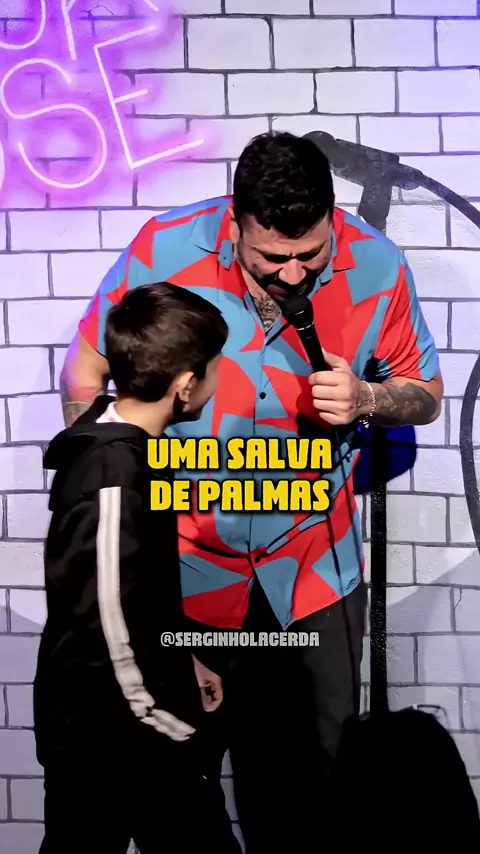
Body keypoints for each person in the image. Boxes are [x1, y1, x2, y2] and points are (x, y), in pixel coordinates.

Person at [59, 132, 444, 853]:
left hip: (311, 578)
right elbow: (85, 369)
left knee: (311, 810)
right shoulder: (164, 249)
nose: (294, 274)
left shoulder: (378, 265)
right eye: (272, 257)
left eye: (312, 254)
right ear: (235, 221)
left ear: (331, 218)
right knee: (177, 801)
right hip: (185, 572)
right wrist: (113, 490)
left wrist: (368, 398)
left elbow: (424, 394)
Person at [34, 284, 242, 854]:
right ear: (185, 384)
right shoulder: (113, 473)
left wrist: (182, 660)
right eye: (215, 366)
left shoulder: (126, 451)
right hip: (114, 739)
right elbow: (101, 621)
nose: (219, 379)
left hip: (123, 728)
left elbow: (133, 597)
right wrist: (170, 726)